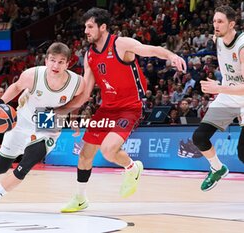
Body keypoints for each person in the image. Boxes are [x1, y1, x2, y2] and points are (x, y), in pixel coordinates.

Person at [60, 7, 186, 213]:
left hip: (130, 107)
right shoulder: (90, 55)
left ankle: (132, 167)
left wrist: (171, 56)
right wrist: (66, 111)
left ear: (103, 27)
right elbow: (85, 93)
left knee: (109, 150)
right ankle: (80, 198)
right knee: (84, 155)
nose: (86, 31)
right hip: (107, 108)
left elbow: (151, 49)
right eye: (85, 27)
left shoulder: (121, 44)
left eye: (90, 26)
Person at [0, 42, 85, 217]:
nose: (56, 65)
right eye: (52, 60)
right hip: (24, 118)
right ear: (46, 60)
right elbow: (16, 87)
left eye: (61, 62)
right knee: (3, 165)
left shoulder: (77, 82)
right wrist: (0, 103)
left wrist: (72, 117)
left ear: (68, 63)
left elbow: (77, 100)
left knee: (26, 164)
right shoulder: (32, 75)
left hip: (48, 121)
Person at [192, 5, 244, 192]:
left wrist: (218, 87)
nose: (215, 25)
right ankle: (217, 168)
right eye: (214, 21)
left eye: (220, 21)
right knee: (199, 137)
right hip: (229, 95)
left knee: (243, 154)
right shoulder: (218, 38)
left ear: (232, 24)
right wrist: (223, 89)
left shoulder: (241, 46)